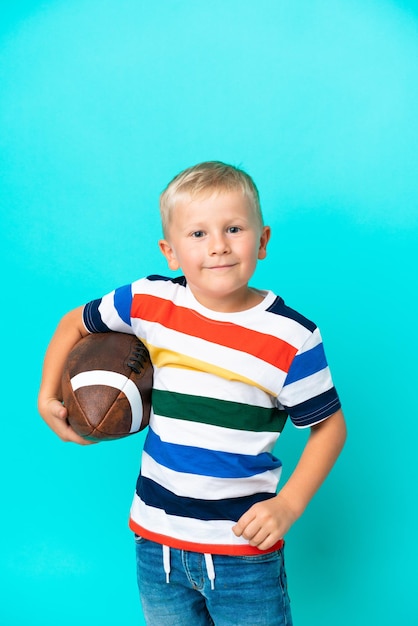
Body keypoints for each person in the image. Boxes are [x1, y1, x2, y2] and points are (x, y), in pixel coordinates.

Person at [38, 161, 347, 626]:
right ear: (171, 252)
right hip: (155, 544)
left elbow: (330, 428)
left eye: (234, 229)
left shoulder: (291, 337)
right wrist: (48, 396)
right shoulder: (150, 303)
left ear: (262, 241)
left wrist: (288, 504)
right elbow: (73, 323)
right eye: (198, 234)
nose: (219, 246)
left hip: (243, 552)